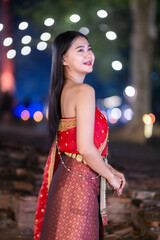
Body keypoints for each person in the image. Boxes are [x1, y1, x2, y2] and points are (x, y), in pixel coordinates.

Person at [34, 31, 125, 240]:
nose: (88, 54)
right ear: (64, 59)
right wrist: (110, 177)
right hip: (78, 188)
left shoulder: (63, 90)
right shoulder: (84, 91)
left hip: (68, 179)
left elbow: (77, 146)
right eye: (80, 50)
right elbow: (84, 148)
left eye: (89, 49)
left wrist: (110, 169)